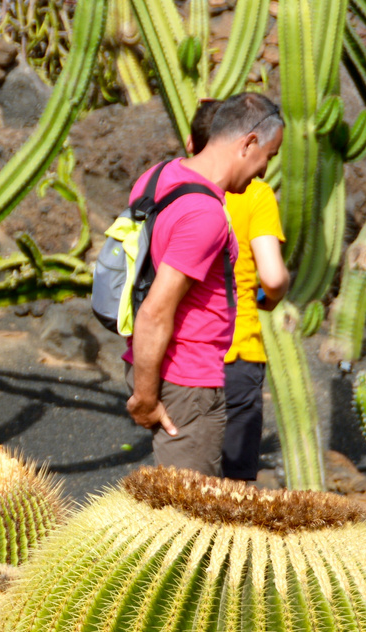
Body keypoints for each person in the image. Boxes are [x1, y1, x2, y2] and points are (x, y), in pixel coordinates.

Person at [124, 93, 284, 476]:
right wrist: (145, 398)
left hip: (153, 361)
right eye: (268, 157)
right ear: (248, 143)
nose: (264, 171)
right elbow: (157, 309)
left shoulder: (159, 176)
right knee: (192, 521)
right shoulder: (205, 214)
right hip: (189, 377)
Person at [189, 99, 291, 481]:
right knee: (234, 490)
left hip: (187, 358)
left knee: (187, 486)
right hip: (238, 351)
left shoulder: (174, 185)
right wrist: (268, 299)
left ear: (191, 141)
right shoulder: (256, 194)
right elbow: (274, 276)